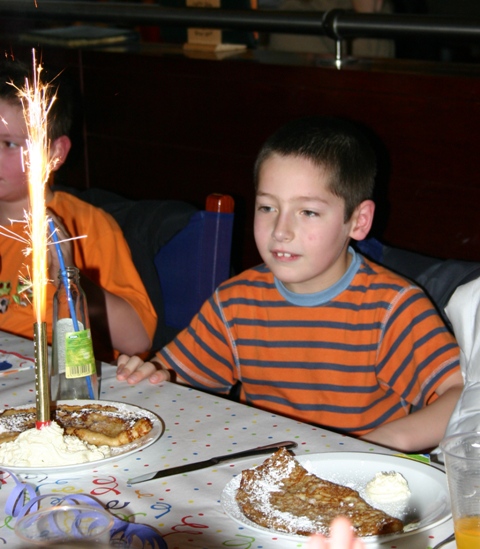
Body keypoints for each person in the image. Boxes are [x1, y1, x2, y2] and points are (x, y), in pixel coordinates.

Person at [116, 115, 463, 453]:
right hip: (262, 476)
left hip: (358, 484)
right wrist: (150, 377)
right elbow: (176, 383)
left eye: (307, 212)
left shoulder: (390, 308)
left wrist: (380, 444)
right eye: (267, 207)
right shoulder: (236, 302)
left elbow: (461, 393)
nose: (280, 231)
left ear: (358, 221)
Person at [0, 58, 157, 362]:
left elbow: (137, 340)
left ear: (54, 153)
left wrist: (69, 276)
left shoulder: (86, 225)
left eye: (8, 144)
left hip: (61, 381)